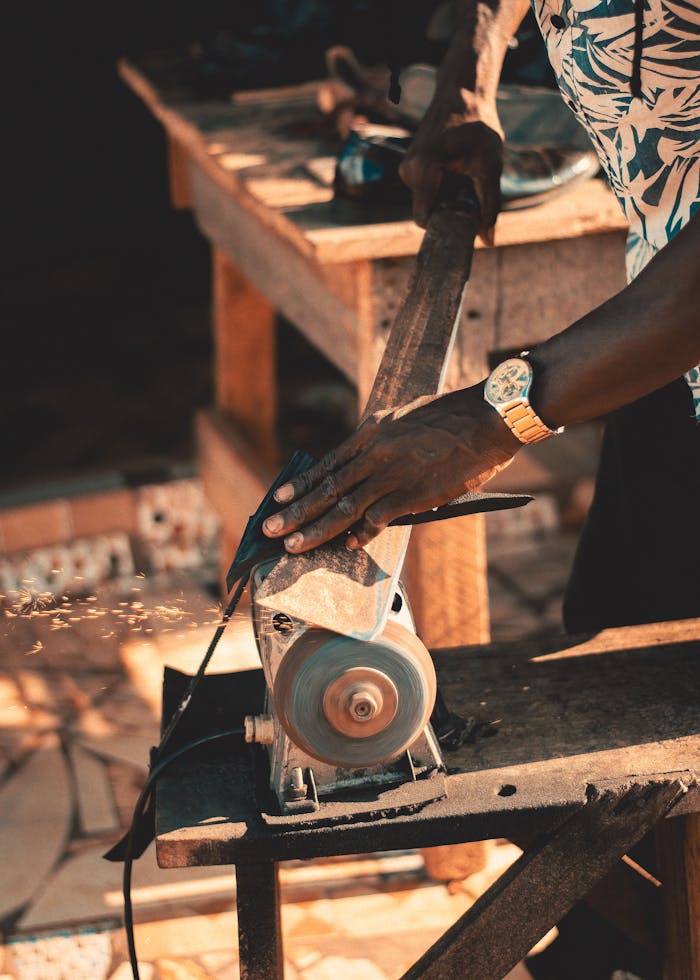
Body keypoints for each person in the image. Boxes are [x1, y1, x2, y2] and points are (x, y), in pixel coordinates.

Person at [263, 0, 700, 633]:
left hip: (676, 317)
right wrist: (468, 73)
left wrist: (490, 418)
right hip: (663, 353)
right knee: (611, 637)